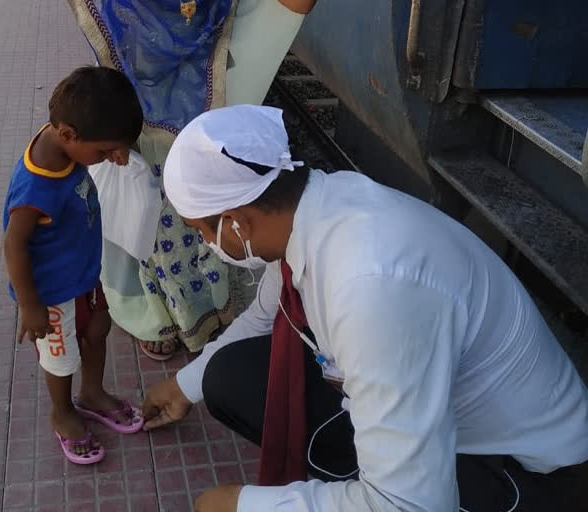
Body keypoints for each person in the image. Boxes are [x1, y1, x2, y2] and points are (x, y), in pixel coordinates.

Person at [142, 104, 588, 511]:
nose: (206, 244)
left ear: (236, 222)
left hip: (527, 473)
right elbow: (264, 314)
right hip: (455, 425)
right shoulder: (317, 205)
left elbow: (410, 504)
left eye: (201, 231)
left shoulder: (372, 283)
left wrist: (243, 505)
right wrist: (183, 387)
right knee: (229, 376)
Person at [66, 0, 317, 360]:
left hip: (210, 39)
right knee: (153, 212)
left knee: (209, 189)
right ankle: (157, 315)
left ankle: (214, 306)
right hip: (136, 51)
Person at [3, 67, 145, 465]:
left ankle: (93, 393)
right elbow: (14, 243)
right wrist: (30, 304)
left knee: (99, 328)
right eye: (105, 151)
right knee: (60, 355)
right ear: (68, 135)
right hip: (51, 290)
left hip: (83, 272)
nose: (111, 158)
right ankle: (62, 410)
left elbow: (95, 145)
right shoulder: (38, 186)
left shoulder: (67, 141)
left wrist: (110, 148)